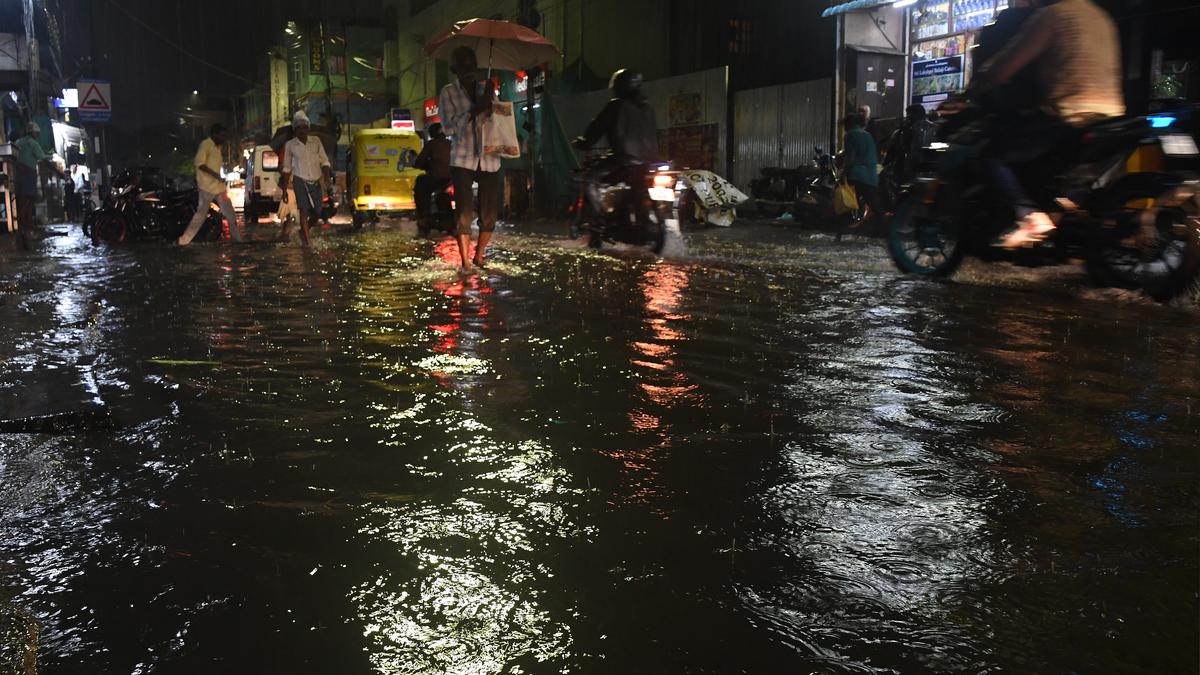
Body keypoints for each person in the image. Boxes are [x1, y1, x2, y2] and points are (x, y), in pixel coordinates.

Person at [971, 0, 1124, 248]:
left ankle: (1029, 217)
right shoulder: (1101, 17)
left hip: (1070, 113)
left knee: (991, 155)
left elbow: (1007, 63)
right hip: (1111, 115)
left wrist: (982, 81)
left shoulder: (1052, 16)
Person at [571, 68, 659, 231]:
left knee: (590, 179)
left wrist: (584, 143)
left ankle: (599, 221)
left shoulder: (616, 105)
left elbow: (596, 130)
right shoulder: (649, 108)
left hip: (623, 160)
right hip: (649, 163)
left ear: (619, 86)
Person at [440, 45, 500, 270]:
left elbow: (498, 122)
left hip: (489, 158)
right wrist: (475, 110)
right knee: (464, 212)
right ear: (454, 69)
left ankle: (479, 255)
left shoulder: (487, 89)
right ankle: (465, 262)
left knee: (490, 213)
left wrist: (491, 102)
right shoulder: (448, 92)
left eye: (471, 63)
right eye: (462, 64)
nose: (468, 68)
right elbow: (447, 128)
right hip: (462, 159)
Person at [178, 123, 241, 245]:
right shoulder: (205, 145)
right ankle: (183, 241)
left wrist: (218, 177)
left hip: (218, 187)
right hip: (206, 187)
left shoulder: (217, 148)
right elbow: (199, 163)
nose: (224, 138)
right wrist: (215, 175)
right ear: (215, 134)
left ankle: (237, 240)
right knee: (200, 216)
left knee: (230, 214)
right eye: (222, 135)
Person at [280, 110, 333, 245]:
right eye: (298, 128)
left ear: (308, 128)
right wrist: (285, 190)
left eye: (304, 127)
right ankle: (306, 241)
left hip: (315, 180)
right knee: (303, 209)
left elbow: (325, 162)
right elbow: (286, 168)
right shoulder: (290, 145)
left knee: (317, 212)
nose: (302, 130)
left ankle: (305, 229)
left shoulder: (316, 141)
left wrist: (326, 178)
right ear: (295, 130)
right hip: (299, 180)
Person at [13, 122, 63, 248]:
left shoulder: (18, 142)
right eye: (38, 133)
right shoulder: (33, 143)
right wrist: (59, 173)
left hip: (17, 174)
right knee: (28, 201)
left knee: (21, 201)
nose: (38, 135)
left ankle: (23, 227)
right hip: (28, 173)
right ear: (34, 133)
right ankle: (25, 228)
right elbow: (44, 160)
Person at [842, 113, 883, 231]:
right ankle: (881, 225)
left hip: (857, 175)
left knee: (848, 199)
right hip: (872, 176)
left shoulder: (850, 135)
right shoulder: (868, 135)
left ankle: (850, 224)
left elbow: (851, 157)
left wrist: (843, 173)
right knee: (872, 202)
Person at [883, 104, 937, 186]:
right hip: (926, 173)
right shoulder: (934, 128)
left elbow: (893, 151)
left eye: (909, 114)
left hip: (909, 172)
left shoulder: (904, 130)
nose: (908, 117)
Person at [414, 122, 452, 221]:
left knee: (420, 185)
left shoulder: (431, 145)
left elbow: (419, 161)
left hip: (436, 179)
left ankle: (423, 214)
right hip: (452, 179)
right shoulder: (451, 144)